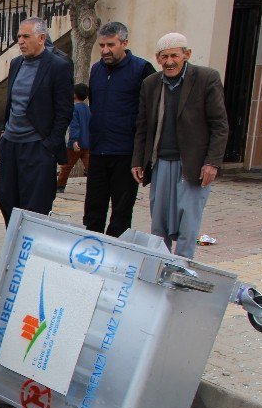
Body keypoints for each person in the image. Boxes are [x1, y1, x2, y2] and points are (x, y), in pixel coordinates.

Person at [132, 32, 228, 259]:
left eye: (174, 55)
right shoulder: (151, 84)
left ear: (187, 55)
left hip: (193, 165)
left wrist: (212, 163)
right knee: (159, 224)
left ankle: (183, 269)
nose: (169, 62)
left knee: (188, 224)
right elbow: (142, 126)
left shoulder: (206, 78)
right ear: (157, 58)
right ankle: (159, 267)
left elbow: (220, 125)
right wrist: (137, 160)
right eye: (164, 57)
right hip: (161, 162)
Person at [0, 17, 74, 226]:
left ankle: (28, 252)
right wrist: (4, 131)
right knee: (6, 198)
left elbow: (64, 111)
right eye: (19, 36)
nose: (20, 41)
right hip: (11, 144)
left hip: (37, 147)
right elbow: (12, 102)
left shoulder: (58, 66)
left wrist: (48, 145)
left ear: (41, 38)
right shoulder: (16, 64)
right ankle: (13, 247)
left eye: (26, 36)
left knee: (35, 206)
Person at [83, 21, 156, 237]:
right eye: (102, 45)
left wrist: (142, 157)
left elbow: (149, 115)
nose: (105, 50)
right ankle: (90, 255)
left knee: (121, 214)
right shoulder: (96, 70)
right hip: (98, 152)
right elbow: (95, 106)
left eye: (111, 45)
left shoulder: (142, 70)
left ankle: (115, 258)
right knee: (93, 212)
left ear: (124, 43)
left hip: (126, 154)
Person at [56, 83, 91, 193]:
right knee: (90, 167)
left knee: (66, 166)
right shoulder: (88, 109)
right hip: (88, 143)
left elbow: (74, 125)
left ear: (74, 94)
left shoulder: (74, 109)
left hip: (75, 144)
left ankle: (60, 186)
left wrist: (74, 140)